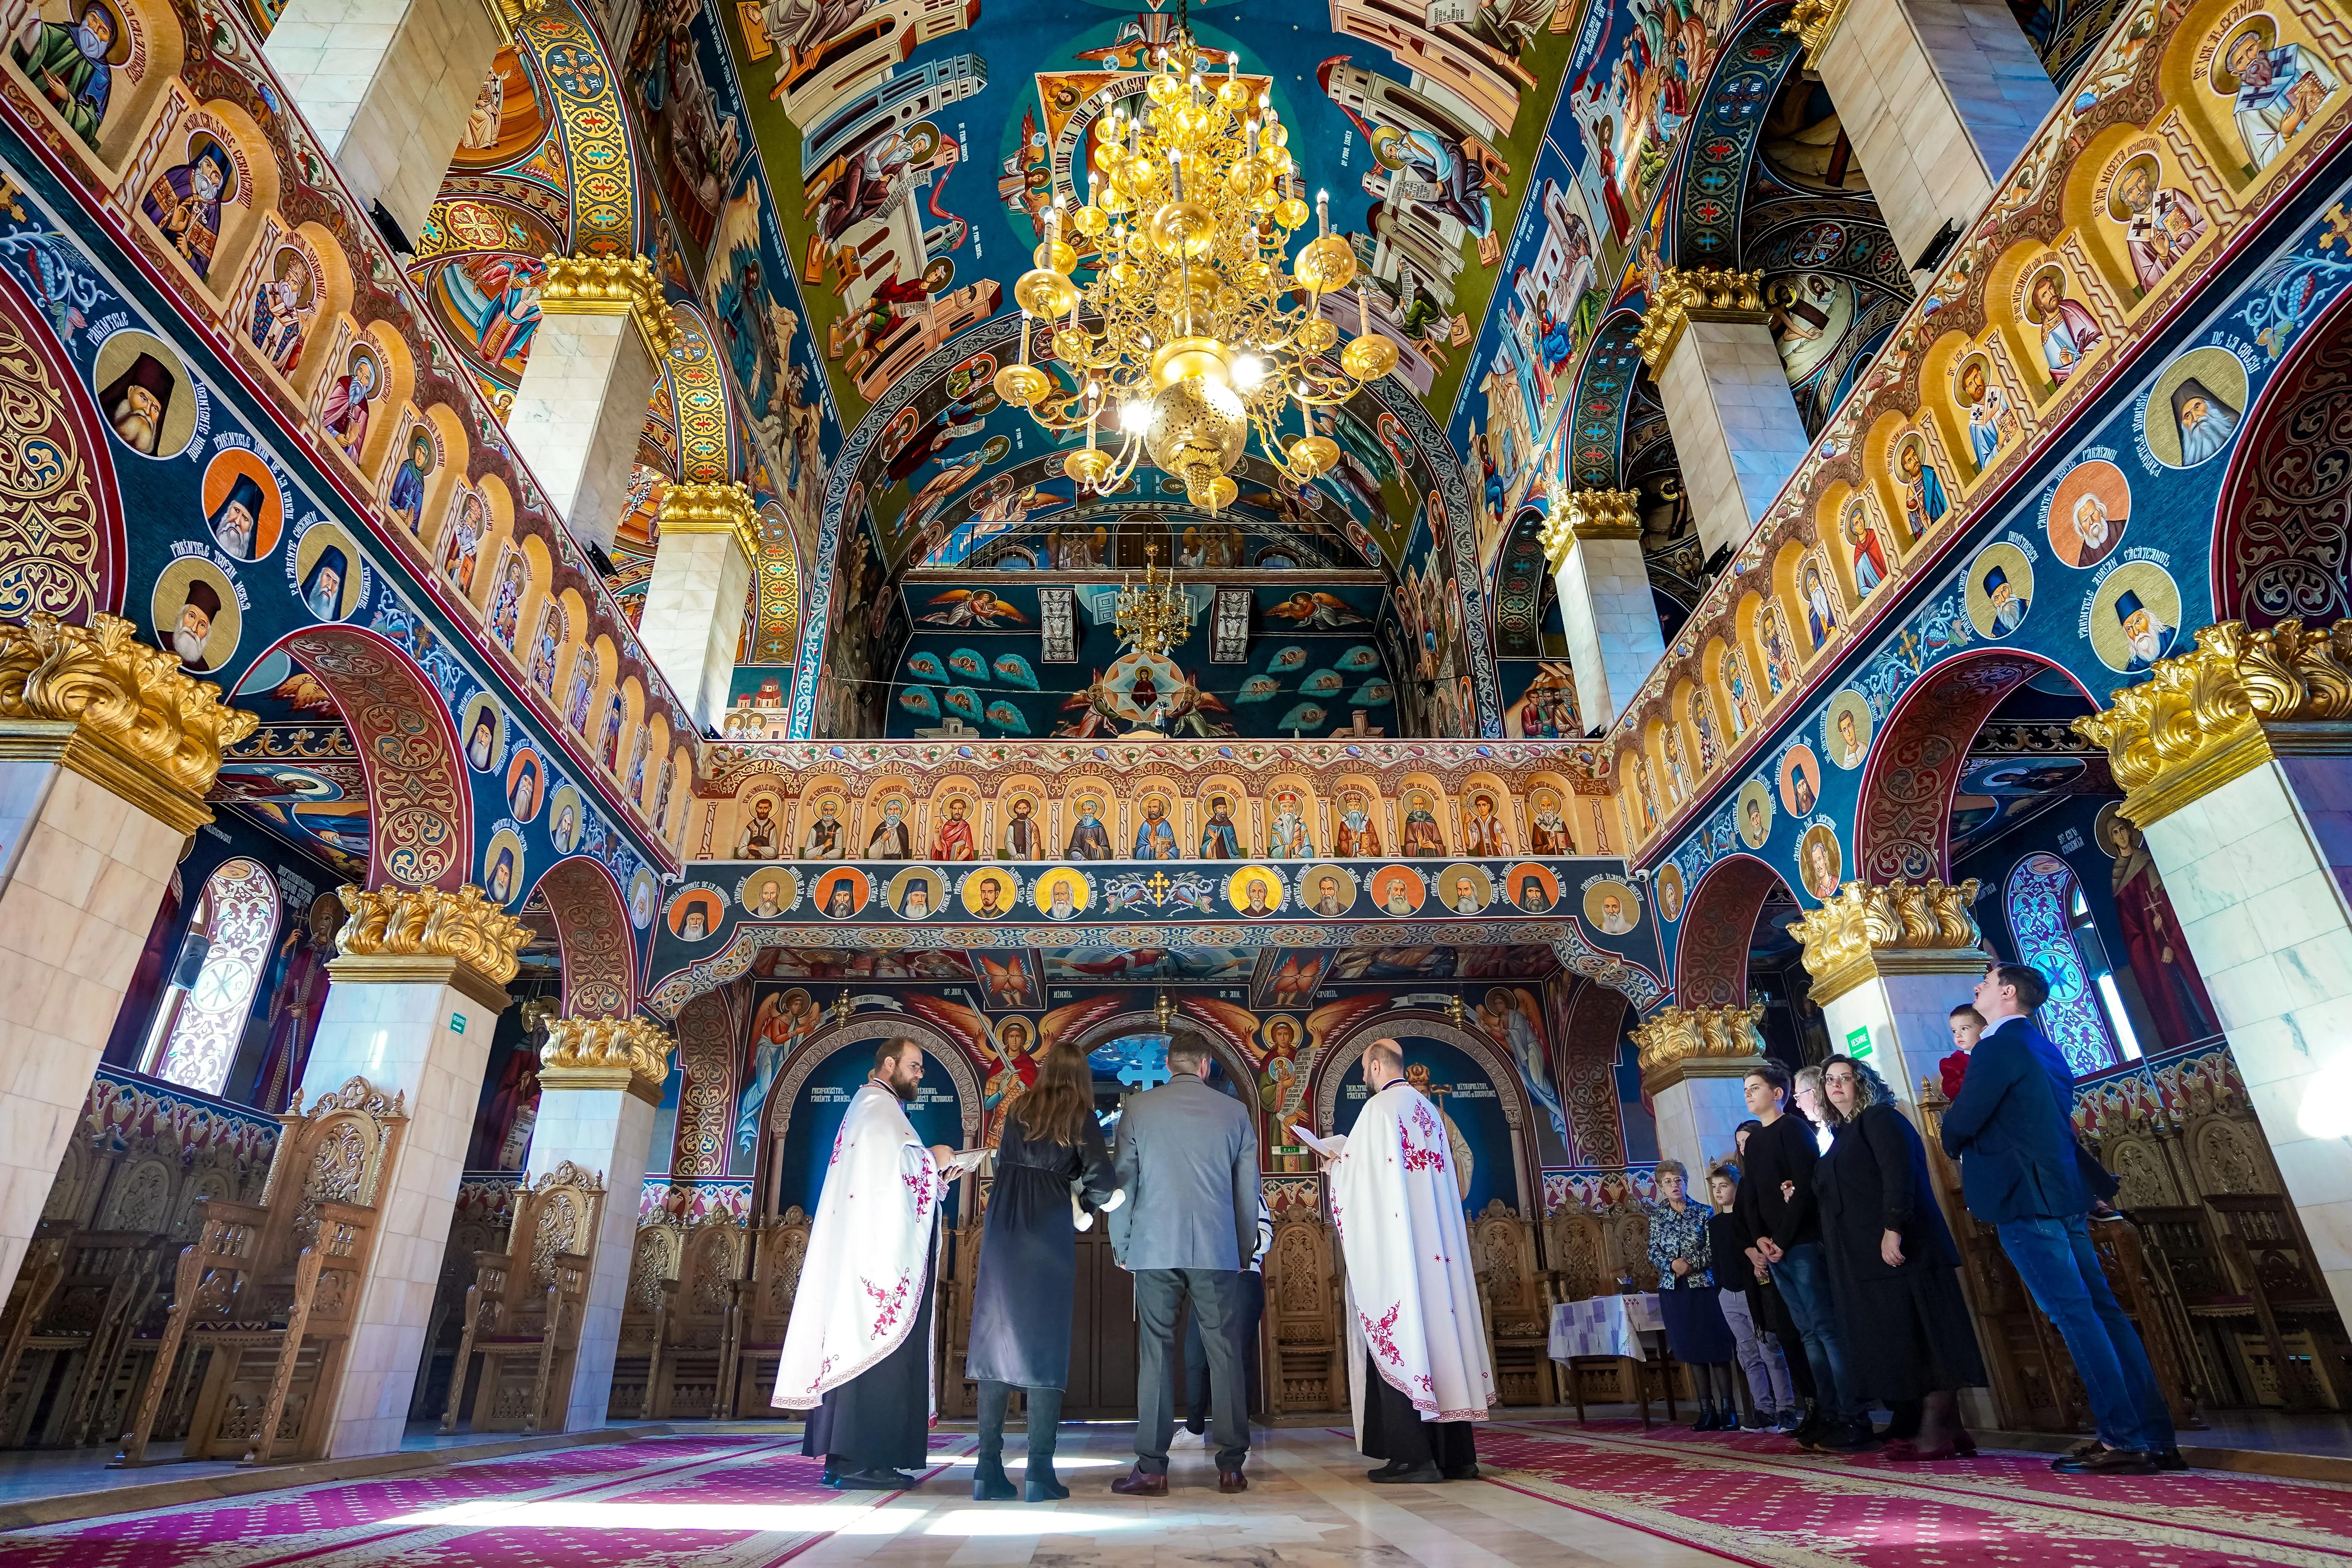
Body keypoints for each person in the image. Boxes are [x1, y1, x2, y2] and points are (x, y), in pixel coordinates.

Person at [1943, 962, 2181, 1473]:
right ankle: (2154, 1436)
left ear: (2006, 993)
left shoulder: (1997, 1047)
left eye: (1983, 983)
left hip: (2025, 1200)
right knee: (2103, 1313)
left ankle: (2121, 1439)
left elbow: (1963, 1120)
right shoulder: (2044, 1046)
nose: (1976, 988)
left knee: (2075, 1315)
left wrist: (1950, 1134)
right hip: (2063, 1194)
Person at [772, 1039, 957, 1488]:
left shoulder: (877, 1108)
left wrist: (932, 1170)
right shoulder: (877, 1110)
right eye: (915, 1066)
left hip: (871, 1254)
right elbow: (896, 1175)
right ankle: (858, 1463)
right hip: (875, 1263)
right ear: (889, 1064)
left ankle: (860, 1459)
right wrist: (935, 1159)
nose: (920, 1075)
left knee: (875, 1354)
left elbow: (892, 1178)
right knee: (875, 1352)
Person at [1318, 1038, 1495, 1482]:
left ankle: (1413, 1457)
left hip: (1399, 1254)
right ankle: (1456, 1457)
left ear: (1377, 1065)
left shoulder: (1378, 1111)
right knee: (1441, 1344)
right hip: (1436, 1250)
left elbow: (1360, 1183)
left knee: (1403, 1336)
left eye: (1364, 1068)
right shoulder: (1429, 1112)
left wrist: (1334, 1165)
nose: (1363, 1076)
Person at [966, 1041, 1121, 1502]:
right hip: (1047, 1227)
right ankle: (1039, 1472)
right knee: (1045, 1344)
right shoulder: (1078, 1113)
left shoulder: (1017, 1108)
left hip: (1003, 1224)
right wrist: (1085, 1206)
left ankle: (987, 1470)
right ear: (1081, 1079)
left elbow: (999, 1160)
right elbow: (1104, 1180)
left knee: (996, 1341)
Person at [1108, 1032, 1260, 1495]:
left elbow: (1124, 1184)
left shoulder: (1138, 1109)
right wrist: (1243, 1247)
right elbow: (1245, 1191)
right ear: (1206, 1066)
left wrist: (1123, 1244)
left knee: (1156, 1352)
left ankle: (1152, 1467)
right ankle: (1232, 1467)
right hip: (1216, 1249)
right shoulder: (1235, 1112)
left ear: (1169, 1063)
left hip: (1154, 1249)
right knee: (1224, 1353)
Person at [1816, 1054, 1985, 1461]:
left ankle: (1935, 1427)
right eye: (1829, 1079)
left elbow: (1898, 1175)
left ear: (1863, 1083)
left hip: (1907, 1249)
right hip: (1872, 1261)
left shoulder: (1880, 1119)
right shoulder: (1845, 1133)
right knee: (1910, 1337)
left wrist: (1894, 1227)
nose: (1836, 1084)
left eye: (1845, 1077)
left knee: (1929, 1336)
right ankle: (1954, 1430)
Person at [1735, 1060, 1870, 1450]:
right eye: (1745, 1089)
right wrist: (1761, 1238)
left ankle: (1851, 1415)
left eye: (1754, 1087)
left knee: (1825, 1329)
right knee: (1807, 1333)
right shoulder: (1756, 1140)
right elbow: (1757, 1196)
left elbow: (1806, 1187)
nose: (1748, 1094)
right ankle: (1826, 1412)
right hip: (1777, 1249)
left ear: (1777, 1093)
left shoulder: (1792, 1128)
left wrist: (1781, 1237)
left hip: (1803, 1242)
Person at [1647, 1159, 1742, 1431]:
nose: (1674, 1186)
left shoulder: (1704, 1212)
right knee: (1691, 1349)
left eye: (1678, 1180)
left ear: (1686, 1182)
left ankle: (1728, 1409)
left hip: (1704, 1288)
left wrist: (1689, 1263)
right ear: (1660, 1187)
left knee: (1715, 1346)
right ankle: (1706, 1409)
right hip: (1674, 1290)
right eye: (1668, 1182)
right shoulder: (1656, 1217)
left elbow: (1714, 1249)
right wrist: (1671, 1264)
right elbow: (1653, 1251)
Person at [1707, 1164, 1794, 1430]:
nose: (1718, 1191)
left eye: (1723, 1186)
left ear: (1737, 1186)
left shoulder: (1748, 1219)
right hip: (1727, 1293)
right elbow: (1718, 1259)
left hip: (1754, 1290)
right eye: (1714, 1187)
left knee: (1770, 1350)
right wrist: (1720, 1287)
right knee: (1747, 1354)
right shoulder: (1714, 1222)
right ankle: (1763, 1410)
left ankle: (1785, 1408)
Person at [1182, 1194, 1271, 1443]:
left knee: (1237, 1356)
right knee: (1195, 1356)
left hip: (1242, 1279)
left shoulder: (1252, 1197)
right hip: (1205, 1280)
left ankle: (1237, 1435)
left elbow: (1264, 1241)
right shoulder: (1201, 1193)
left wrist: (1225, 1230)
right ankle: (1193, 1429)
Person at [1942, 1004, 1984, 1101]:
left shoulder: (1995, 1053)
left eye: (1964, 1029)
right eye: (1954, 1031)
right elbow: (1951, 1091)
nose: (1958, 1035)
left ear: (1984, 1030)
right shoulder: (1952, 1063)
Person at [1792, 1065, 1835, 1155]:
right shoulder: (1825, 1127)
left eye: (1798, 1097)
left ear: (1814, 1093)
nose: (1798, 1104)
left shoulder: (1839, 1127)